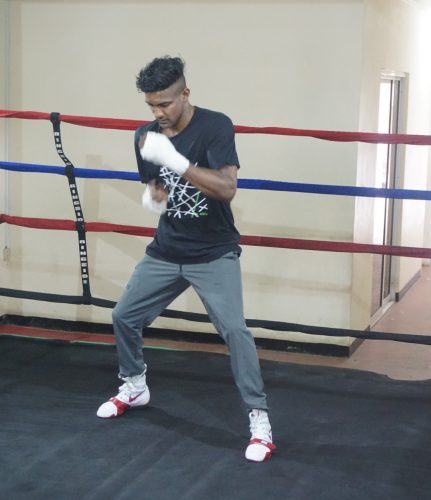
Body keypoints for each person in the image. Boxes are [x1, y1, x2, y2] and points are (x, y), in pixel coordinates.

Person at [97, 56, 276, 462]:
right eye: (151, 106)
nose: (158, 113)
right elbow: (157, 186)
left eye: (165, 104)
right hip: (166, 250)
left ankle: (259, 420)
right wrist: (154, 197)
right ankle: (135, 384)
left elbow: (227, 188)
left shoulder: (215, 126)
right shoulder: (146, 135)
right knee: (124, 316)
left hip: (213, 252)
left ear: (185, 94)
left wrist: (177, 160)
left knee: (234, 331)